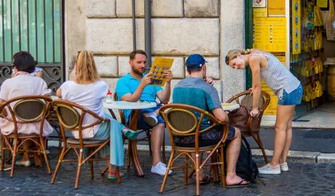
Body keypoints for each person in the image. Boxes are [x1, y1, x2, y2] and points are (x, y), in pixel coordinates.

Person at [56, 51, 139, 180]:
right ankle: (113, 170)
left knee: (103, 117)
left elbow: (58, 93)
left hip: (76, 130)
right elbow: (106, 96)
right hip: (94, 131)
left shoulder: (68, 86)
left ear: (76, 67)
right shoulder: (100, 85)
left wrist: (73, 78)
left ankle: (122, 129)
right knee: (113, 125)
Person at [173, 54, 250, 187]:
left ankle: (200, 173)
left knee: (196, 128)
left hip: (180, 138)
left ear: (187, 70)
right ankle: (231, 176)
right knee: (235, 132)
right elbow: (222, 118)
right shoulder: (207, 88)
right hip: (202, 138)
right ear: (203, 67)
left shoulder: (177, 87)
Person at [226, 48, 303, 175]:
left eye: (234, 63)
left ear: (239, 55)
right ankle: (282, 163)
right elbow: (259, 79)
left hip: (286, 90)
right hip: (294, 86)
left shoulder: (252, 58)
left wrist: (255, 108)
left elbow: (257, 86)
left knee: (279, 128)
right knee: (287, 127)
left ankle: (274, 165)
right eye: (233, 67)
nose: (236, 67)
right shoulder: (255, 53)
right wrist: (254, 87)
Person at [115, 50, 173, 176]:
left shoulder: (152, 79)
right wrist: (142, 85)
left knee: (161, 119)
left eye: (144, 62)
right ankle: (153, 115)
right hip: (135, 115)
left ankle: (156, 164)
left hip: (152, 110)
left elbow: (164, 99)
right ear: (130, 62)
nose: (142, 65)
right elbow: (130, 99)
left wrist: (168, 82)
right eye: (139, 62)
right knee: (158, 118)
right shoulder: (123, 81)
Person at [0, 51, 53, 169]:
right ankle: (33, 155)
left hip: (14, 127)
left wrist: (5, 114)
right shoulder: (40, 82)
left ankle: (0, 158)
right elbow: (49, 102)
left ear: (15, 68)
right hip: (37, 126)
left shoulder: (8, 83)